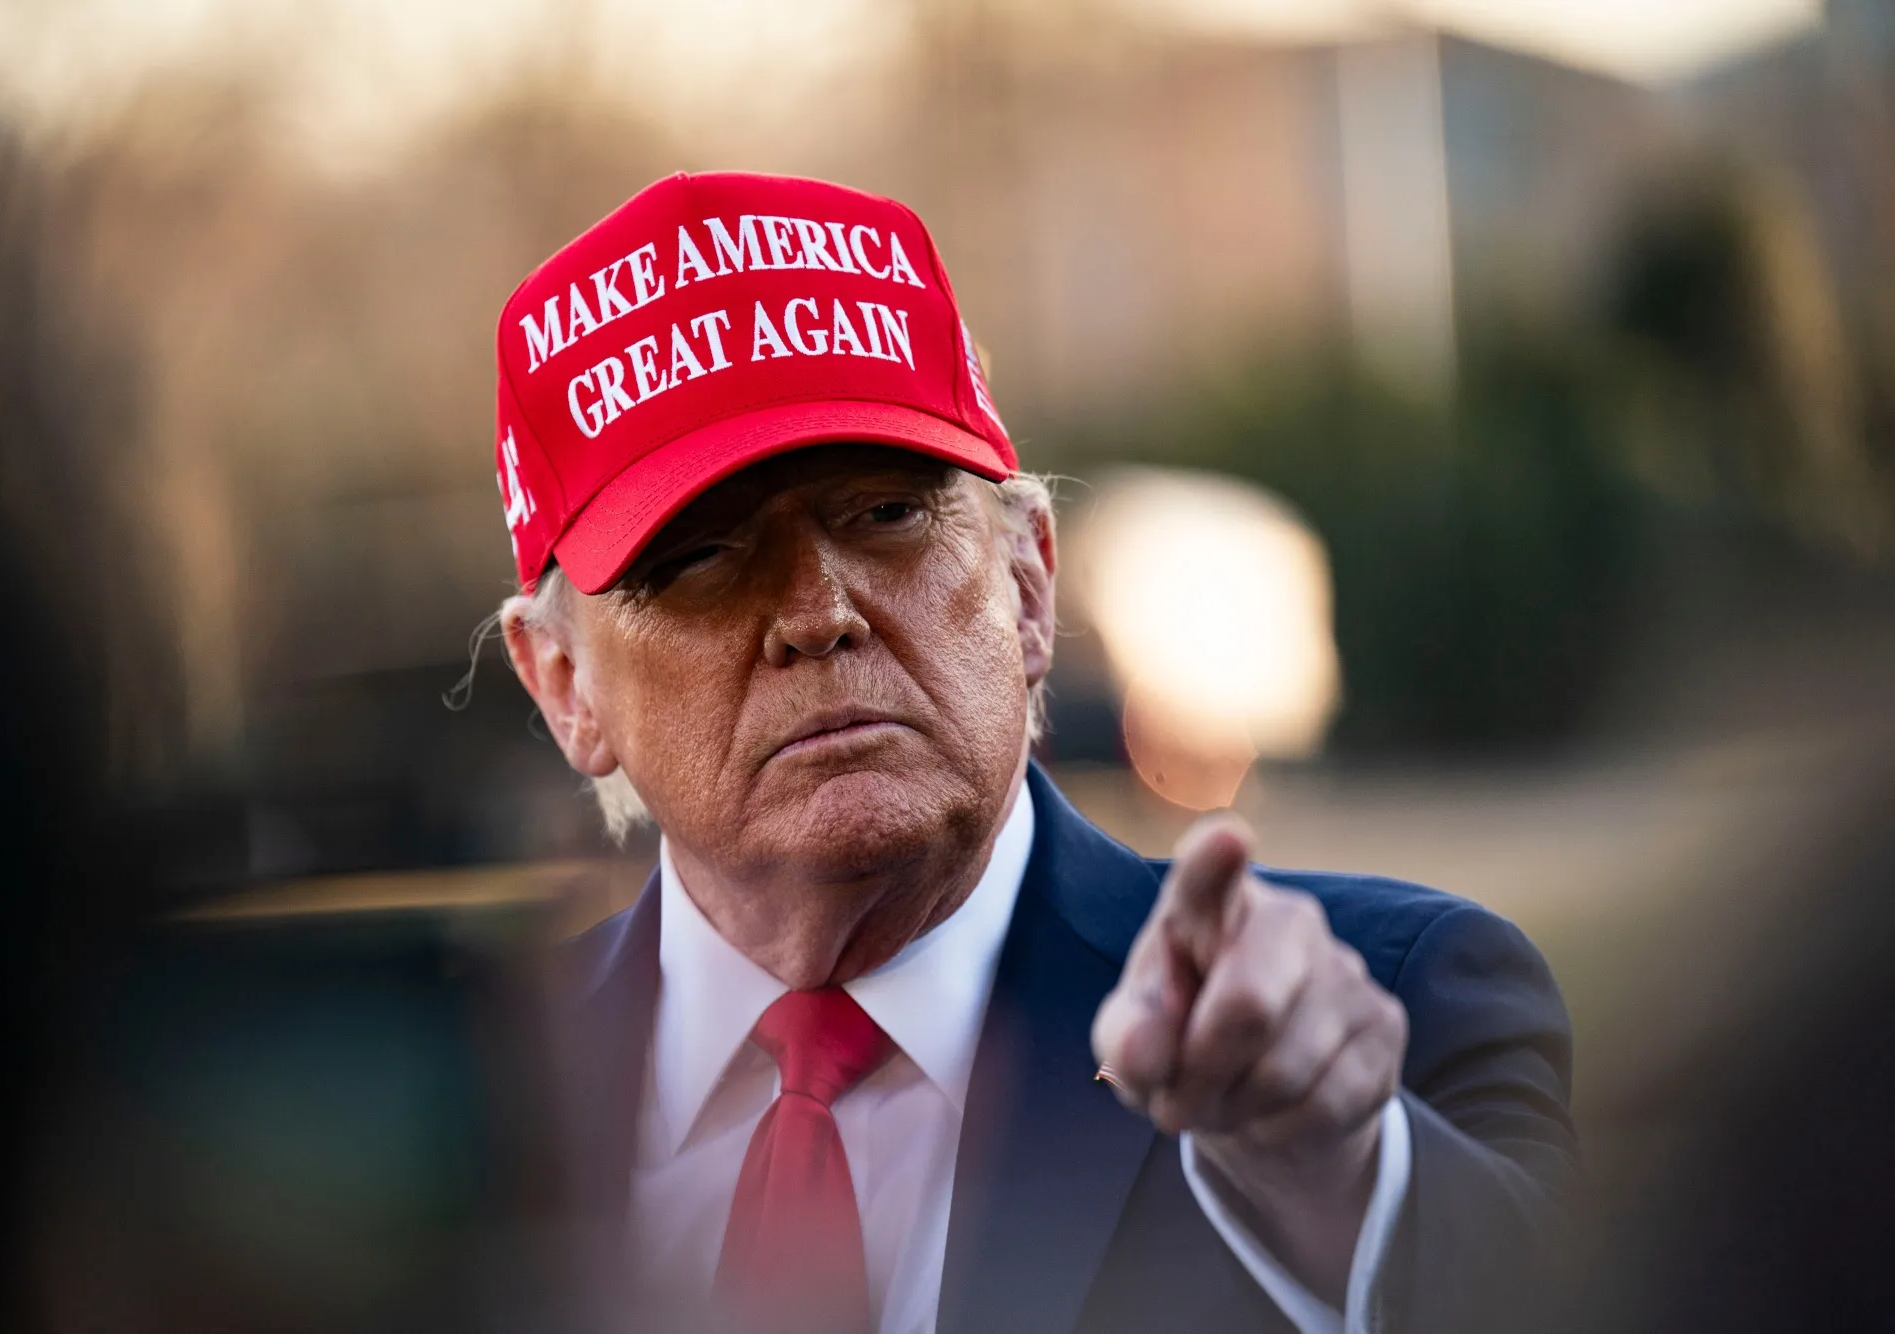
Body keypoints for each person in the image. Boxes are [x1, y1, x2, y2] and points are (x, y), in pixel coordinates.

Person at [482, 171, 1575, 1334]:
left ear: (1027, 580)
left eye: (885, 513)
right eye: (696, 556)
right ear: (562, 684)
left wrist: (1340, 1175)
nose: (817, 610)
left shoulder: (1375, 1013)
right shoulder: (453, 1111)